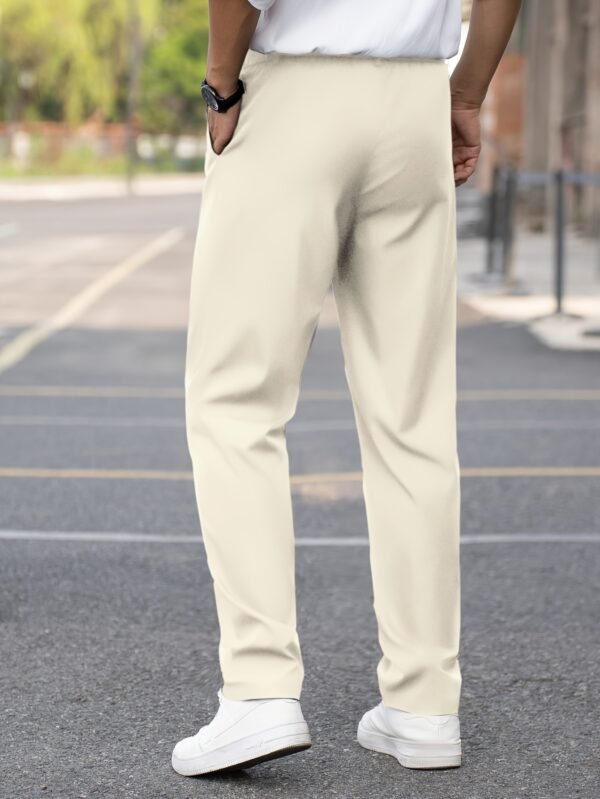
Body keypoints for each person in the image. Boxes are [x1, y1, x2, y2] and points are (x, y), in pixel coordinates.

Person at [172, 0, 522, 778]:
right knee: (413, 416)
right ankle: (424, 703)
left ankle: (260, 689)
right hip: (416, 97)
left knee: (237, 400)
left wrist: (221, 85)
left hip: (292, 92)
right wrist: (465, 93)